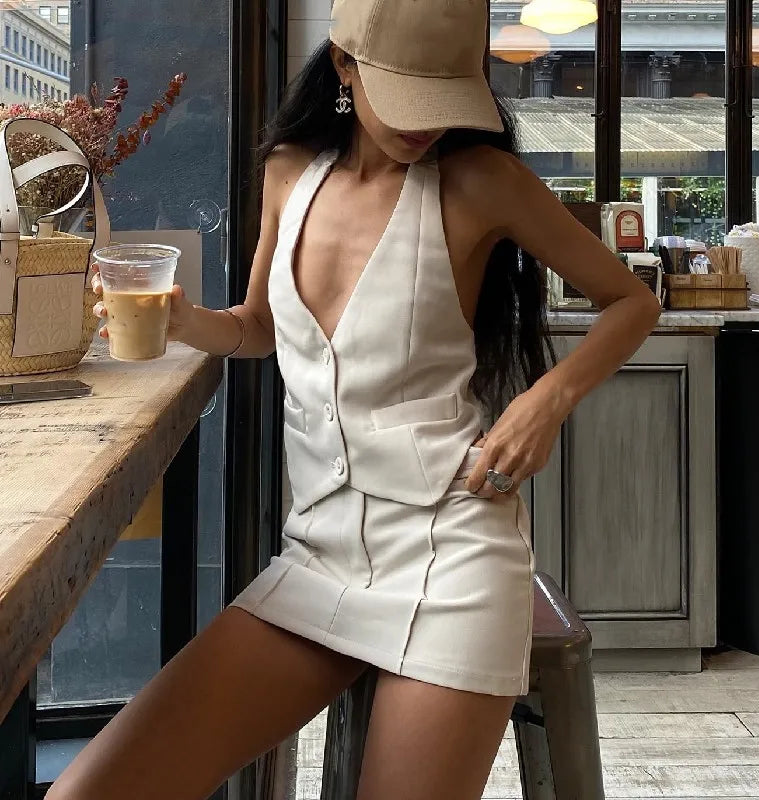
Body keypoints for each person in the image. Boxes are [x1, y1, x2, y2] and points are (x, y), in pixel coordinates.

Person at [50, 1, 660, 798]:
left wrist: (544, 402)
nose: (425, 124)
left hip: (453, 558)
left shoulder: (482, 182)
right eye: (407, 95)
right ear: (344, 65)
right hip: (319, 552)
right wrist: (187, 322)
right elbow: (261, 328)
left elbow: (632, 301)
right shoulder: (289, 173)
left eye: (445, 98)